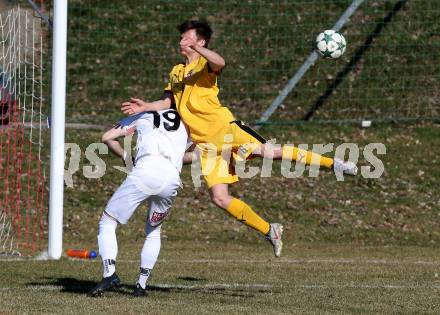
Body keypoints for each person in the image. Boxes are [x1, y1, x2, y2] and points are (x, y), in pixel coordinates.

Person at [121, 20, 358, 258]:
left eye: (187, 37)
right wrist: (146, 106)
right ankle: (269, 230)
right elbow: (169, 101)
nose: (181, 41)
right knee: (220, 198)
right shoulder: (176, 71)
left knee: (271, 153)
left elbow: (220, 62)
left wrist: (199, 49)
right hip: (207, 145)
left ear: (200, 42)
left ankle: (334, 164)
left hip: (226, 130)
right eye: (181, 37)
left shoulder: (205, 63)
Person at [88, 108, 190, 297]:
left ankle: (109, 274)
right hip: (171, 178)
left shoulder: (144, 113)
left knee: (108, 221)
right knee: (153, 230)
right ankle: (140, 286)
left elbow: (107, 137)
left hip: (145, 170)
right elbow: (197, 154)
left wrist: (129, 159)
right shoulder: (191, 119)